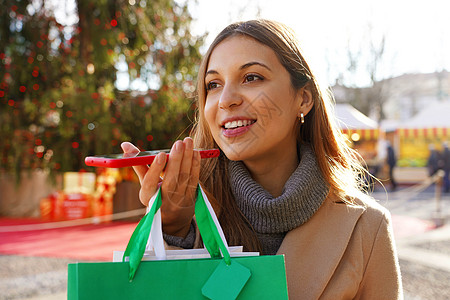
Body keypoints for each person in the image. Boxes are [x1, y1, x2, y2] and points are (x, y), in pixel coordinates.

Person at [121, 19, 402, 299]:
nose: (225, 100)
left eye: (251, 77)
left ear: (303, 98)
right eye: (214, 84)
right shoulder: (188, 214)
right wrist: (171, 227)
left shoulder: (367, 228)